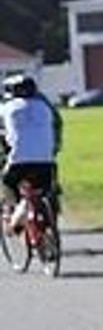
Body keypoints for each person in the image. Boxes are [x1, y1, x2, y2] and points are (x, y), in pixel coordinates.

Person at [0, 73, 63, 232]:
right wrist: (55, 146)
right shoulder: (45, 105)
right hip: (47, 159)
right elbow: (57, 124)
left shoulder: (6, 107)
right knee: (48, 187)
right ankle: (49, 215)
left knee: (7, 183)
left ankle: (16, 219)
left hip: (18, 160)